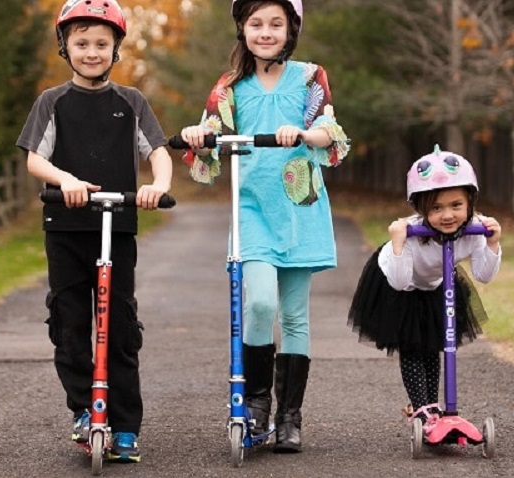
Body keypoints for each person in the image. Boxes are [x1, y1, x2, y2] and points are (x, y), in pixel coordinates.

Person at [179, 0, 350, 453]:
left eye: (276, 23)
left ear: (291, 29)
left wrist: (304, 132)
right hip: (251, 209)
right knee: (259, 304)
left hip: (300, 207)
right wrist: (198, 136)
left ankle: (289, 416)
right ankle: (256, 403)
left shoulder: (310, 77)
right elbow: (208, 138)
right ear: (242, 28)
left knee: (294, 315)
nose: (266, 32)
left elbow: (329, 131)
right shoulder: (231, 87)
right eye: (257, 23)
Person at [16, 0, 173, 464]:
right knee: (69, 324)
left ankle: (124, 425)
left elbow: (158, 151)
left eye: (101, 44)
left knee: (119, 326)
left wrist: (157, 186)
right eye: (81, 43)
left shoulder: (131, 102)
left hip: (116, 226)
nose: (91, 52)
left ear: (115, 48)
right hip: (65, 226)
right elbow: (34, 158)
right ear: (66, 46)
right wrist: (64, 180)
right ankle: (85, 409)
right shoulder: (53, 101)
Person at [347, 145, 502, 430]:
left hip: (435, 284)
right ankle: (421, 409)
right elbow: (400, 281)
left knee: (435, 344)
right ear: (420, 209)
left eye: (456, 205)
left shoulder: (474, 231)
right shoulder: (411, 234)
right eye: (436, 208)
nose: (447, 215)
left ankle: (435, 409)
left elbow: (484, 274)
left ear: (470, 202)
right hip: (397, 278)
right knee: (412, 346)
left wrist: (491, 243)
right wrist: (398, 241)